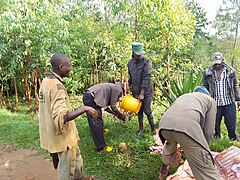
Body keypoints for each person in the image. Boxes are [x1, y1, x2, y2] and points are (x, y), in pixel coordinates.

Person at [39, 53, 98, 180]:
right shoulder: (57, 87)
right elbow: (62, 117)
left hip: (55, 134)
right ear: (61, 67)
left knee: (76, 159)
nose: (70, 68)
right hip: (62, 137)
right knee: (67, 169)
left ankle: (80, 178)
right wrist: (85, 108)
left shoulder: (46, 81)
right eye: (69, 66)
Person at [158, 86, 220, 180]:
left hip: (164, 125)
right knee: (205, 167)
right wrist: (204, 149)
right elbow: (208, 131)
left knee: (170, 144)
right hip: (185, 126)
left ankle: (163, 172)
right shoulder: (210, 100)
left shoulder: (184, 96)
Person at [203, 52, 240, 141]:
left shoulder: (231, 71)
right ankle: (216, 140)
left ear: (222, 61)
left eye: (219, 63)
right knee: (215, 125)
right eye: (215, 63)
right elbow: (205, 88)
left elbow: (235, 85)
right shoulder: (207, 73)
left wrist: (238, 99)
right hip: (215, 103)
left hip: (229, 102)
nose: (217, 65)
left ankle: (233, 139)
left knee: (231, 123)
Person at [82, 82, 126, 152]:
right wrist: (121, 115)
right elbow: (113, 107)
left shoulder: (110, 89)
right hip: (91, 98)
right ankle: (101, 147)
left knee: (97, 119)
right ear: (122, 89)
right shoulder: (118, 89)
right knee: (96, 122)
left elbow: (106, 108)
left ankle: (100, 132)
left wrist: (116, 115)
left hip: (89, 97)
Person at [126, 42, 156, 136]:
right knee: (139, 111)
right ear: (133, 53)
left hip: (146, 91)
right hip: (136, 91)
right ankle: (141, 129)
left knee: (147, 110)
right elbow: (131, 77)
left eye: (140, 54)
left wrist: (142, 93)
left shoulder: (147, 61)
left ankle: (153, 129)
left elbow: (146, 77)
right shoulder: (130, 63)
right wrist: (127, 85)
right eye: (137, 54)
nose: (139, 56)